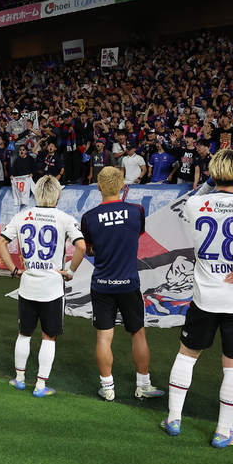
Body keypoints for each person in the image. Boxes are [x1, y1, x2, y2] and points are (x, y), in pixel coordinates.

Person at [161, 149, 233, 447]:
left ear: (212, 173)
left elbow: (198, 194)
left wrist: (211, 180)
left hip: (204, 297)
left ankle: (174, 419)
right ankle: (223, 432)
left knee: (187, 356)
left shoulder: (196, 203)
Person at [0, 175, 85, 398]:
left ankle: (19, 379)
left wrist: (13, 269)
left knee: (24, 334)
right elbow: (81, 247)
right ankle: (40, 385)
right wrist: (71, 271)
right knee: (48, 336)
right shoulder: (65, 218)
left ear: (36, 193)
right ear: (57, 194)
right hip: (52, 287)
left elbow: (0, 242)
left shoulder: (21, 216)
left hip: (28, 285)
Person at [79, 166, 164, 402]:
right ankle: (143, 385)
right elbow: (134, 236)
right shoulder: (137, 211)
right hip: (128, 283)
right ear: (123, 186)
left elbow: (90, 249)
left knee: (104, 336)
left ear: (99, 187)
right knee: (138, 333)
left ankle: (108, 388)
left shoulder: (89, 218)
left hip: (102, 284)